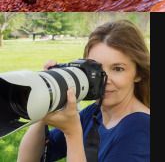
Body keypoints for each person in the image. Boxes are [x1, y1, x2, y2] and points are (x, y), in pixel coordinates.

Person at [17, 20, 150, 162]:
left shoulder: (141, 128)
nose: (104, 80)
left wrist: (72, 133)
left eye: (118, 69)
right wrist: (47, 102)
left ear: (138, 73)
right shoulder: (94, 114)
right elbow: (29, 159)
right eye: (96, 69)